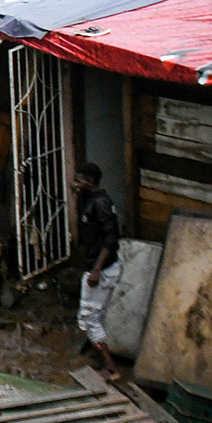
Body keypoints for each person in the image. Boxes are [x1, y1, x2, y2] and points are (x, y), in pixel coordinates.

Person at [73, 161, 123, 381]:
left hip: (101, 270)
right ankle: (103, 363)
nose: (75, 185)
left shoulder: (100, 204)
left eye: (78, 181)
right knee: (92, 318)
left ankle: (111, 369)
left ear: (90, 182)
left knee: (90, 319)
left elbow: (111, 239)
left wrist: (96, 270)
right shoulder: (90, 200)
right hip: (98, 267)